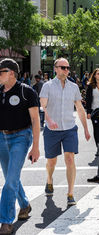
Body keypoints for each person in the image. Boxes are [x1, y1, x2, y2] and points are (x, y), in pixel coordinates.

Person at [40, 58, 91, 206]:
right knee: (52, 161)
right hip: (52, 130)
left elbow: (80, 109)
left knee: (70, 159)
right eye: (63, 67)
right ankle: (49, 181)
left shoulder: (74, 87)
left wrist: (86, 129)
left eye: (67, 68)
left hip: (69, 128)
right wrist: (48, 120)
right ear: (55, 68)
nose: (66, 70)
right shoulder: (47, 86)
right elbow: (43, 106)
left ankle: (70, 193)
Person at [0, 59, 40, 234]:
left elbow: (35, 120)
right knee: (11, 177)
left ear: (11, 73)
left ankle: (6, 221)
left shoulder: (27, 92)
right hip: (2, 137)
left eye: (1, 71)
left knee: (9, 181)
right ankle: (24, 204)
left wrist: (36, 147)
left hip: (21, 137)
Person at [85, 68, 99, 157]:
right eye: (98, 73)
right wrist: (88, 112)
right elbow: (88, 99)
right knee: (97, 131)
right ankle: (98, 148)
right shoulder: (90, 86)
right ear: (94, 75)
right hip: (94, 111)